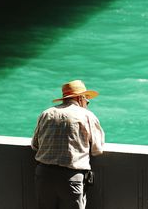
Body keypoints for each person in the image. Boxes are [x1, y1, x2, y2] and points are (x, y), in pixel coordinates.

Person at [31, 79, 105, 209]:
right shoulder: (87, 116)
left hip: (44, 175)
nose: (87, 103)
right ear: (80, 98)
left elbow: (35, 145)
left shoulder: (46, 114)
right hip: (71, 177)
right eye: (87, 100)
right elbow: (97, 149)